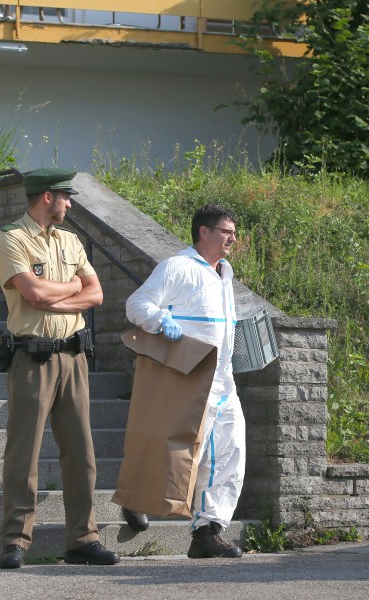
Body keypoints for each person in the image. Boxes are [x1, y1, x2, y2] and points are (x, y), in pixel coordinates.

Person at [0, 167, 119, 567]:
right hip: (32, 357)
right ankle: (16, 541)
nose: (69, 202)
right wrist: (71, 289)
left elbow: (96, 294)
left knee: (81, 452)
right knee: (23, 453)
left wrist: (54, 298)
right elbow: (31, 293)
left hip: (74, 356)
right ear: (47, 196)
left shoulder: (70, 240)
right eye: (65, 196)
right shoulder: (10, 238)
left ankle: (83, 538)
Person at [125, 204, 245, 558]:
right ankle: (137, 497)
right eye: (225, 231)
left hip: (224, 379)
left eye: (234, 232)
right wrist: (161, 320)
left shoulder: (224, 274)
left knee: (229, 451)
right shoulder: (177, 267)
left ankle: (207, 531)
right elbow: (137, 304)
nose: (232, 238)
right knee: (174, 446)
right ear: (203, 232)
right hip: (188, 376)